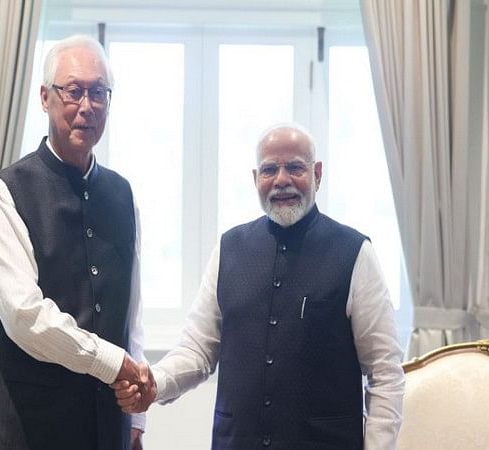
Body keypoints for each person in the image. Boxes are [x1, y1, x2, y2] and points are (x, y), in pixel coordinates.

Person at [114, 124, 405, 449]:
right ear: (256, 178)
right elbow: (197, 350)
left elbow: (385, 373)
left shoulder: (355, 253)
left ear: (317, 174)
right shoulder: (228, 249)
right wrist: (156, 382)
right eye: (269, 170)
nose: (282, 180)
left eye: (295, 167)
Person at [0, 35, 154, 450]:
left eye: (98, 93)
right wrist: (114, 364)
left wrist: (136, 416)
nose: (86, 106)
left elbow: (132, 312)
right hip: (25, 430)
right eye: (73, 91)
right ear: (44, 97)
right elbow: (25, 317)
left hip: (106, 429)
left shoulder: (122, 194)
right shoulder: (4, 193)